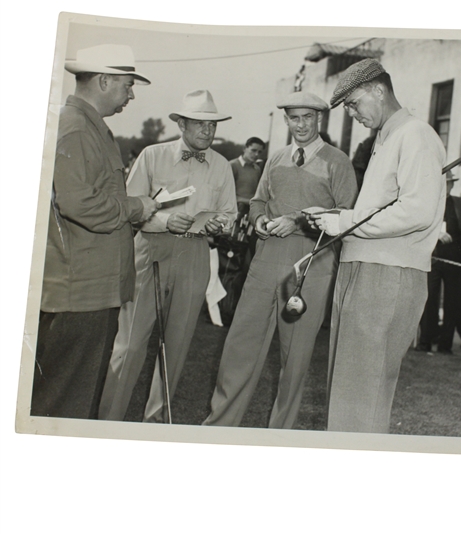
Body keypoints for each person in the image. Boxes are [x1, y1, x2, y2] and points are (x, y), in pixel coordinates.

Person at [203, 91, 358, 429]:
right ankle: (219, 427)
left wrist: (299, 220)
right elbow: (259, 200)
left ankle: (279, 435)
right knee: (239, 346)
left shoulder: (338, 161)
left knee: (296, 357)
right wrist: (259, 218)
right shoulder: (275, 158)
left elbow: (346, 215)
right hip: (266, 258)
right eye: (294, 118)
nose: (300, 125)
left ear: (319, 119)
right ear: (286, 120)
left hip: (311, 264)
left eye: (307, 117)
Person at [313, 59, 446, 433]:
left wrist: (343, 222)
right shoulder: (385, 139)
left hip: (388, 272)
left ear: (378, 89)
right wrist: (337, 216)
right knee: (349, 389)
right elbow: (381, 209)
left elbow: (417, 211)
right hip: (364, 267)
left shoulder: (415, 134)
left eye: (353, 103)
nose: (352, 114)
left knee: (363, 392)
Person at [31, 44, 159, 419]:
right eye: (127, 85)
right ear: (103, 81)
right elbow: (78, 204)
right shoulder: (74, 128)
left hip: (91, 289)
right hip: (81, 294)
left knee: (72, 396)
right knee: (66, 402)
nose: (131, 94)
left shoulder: (87, 126)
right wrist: (137, 206)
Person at [98, 90, 237, 422]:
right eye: (200, 125)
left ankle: (155, 424)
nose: (207, 132)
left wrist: (219, 224)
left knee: (175, 348)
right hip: (151, 251)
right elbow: (129, 208)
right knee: (130, 345)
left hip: (196, 255)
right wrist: (163, 220)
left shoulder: (221, 165)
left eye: (212, 126)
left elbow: (229, 213)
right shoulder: (151, 155)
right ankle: (107, 423)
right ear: (182, 125)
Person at [417, 170, 461, 354]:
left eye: (448, 183)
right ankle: (425, 341)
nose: (445, 186)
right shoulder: (428, 204)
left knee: (452, 303)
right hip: (432, 259)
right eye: (442, 183)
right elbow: (419, 227)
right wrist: (437, 234)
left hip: (454, 262)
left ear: (452, 185)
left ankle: (445, 345)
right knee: (429, 299)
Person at [230, 137, 266, 206]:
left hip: (251, 208)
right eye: (253, 150)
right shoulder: (232, 165)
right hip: (235, 208)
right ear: (244, 149)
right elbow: (225, 194)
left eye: (259, 152)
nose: (256, 154)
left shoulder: (257, 169)